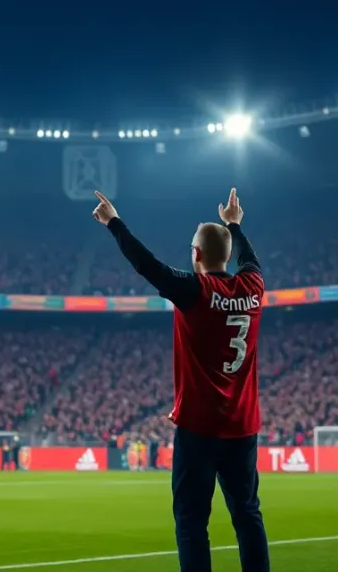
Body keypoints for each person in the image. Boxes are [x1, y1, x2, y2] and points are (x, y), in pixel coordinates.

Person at [93, 188, 269, 572]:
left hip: (200, 429)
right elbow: (250, 259)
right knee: (247, 516)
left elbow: (147, 264)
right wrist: (235, 225)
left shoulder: (194, 290)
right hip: (242, 427)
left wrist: (114, 223)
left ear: (196, 255)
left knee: (191, 522)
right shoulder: (253, 288)